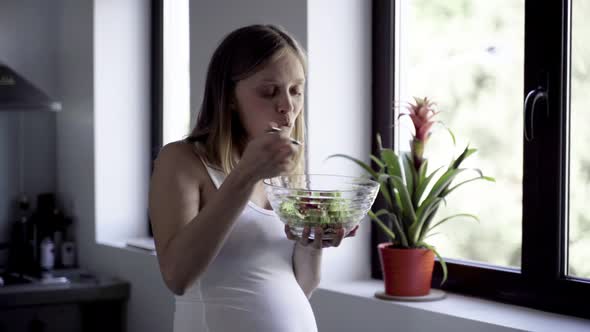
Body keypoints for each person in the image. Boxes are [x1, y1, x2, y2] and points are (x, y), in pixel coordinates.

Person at [149, 24, 358, 332]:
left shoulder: (287, 173)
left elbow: (304, 286)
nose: (287, 106)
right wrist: (245, 175)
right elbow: (177, 277)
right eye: (269, 91)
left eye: (296, 90)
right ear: (229, 96)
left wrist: (314, 241)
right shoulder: (182, 161)